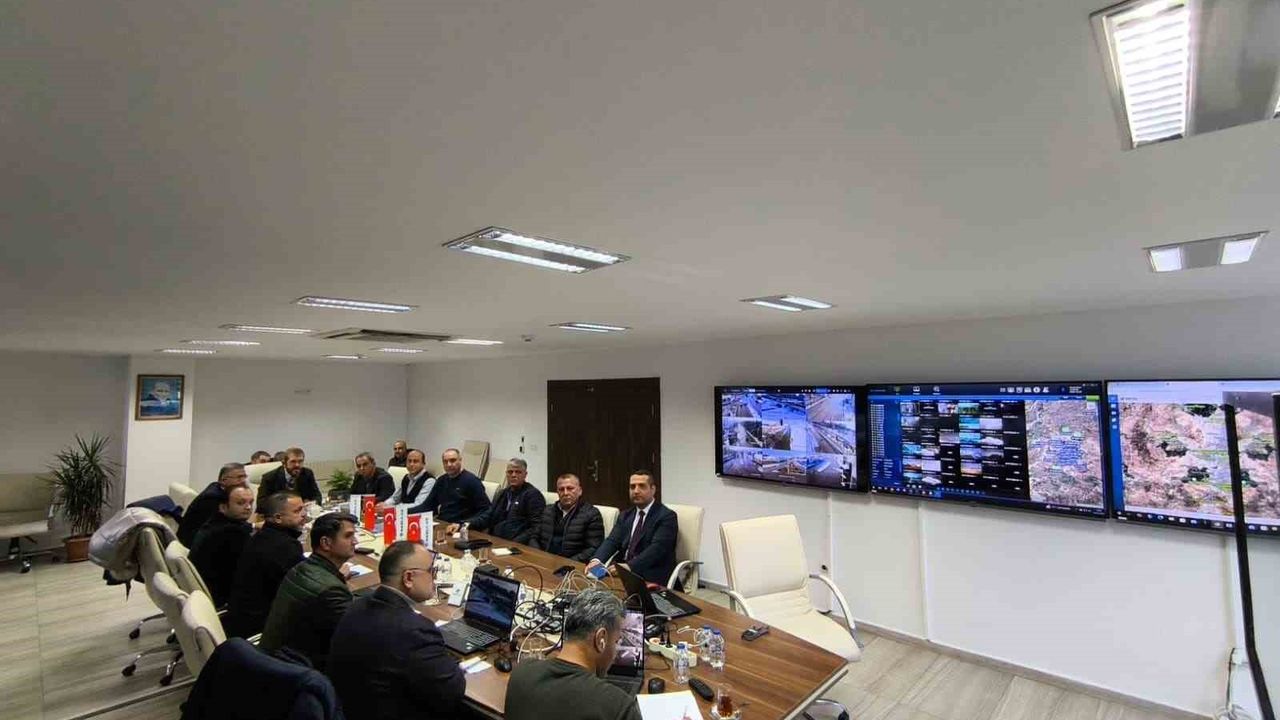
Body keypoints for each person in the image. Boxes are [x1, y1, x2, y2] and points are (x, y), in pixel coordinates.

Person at [327, 541, 465, 719]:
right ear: (408, 578)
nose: (435, 578)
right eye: (431, 571)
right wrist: (451, 661)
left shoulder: (356, 605)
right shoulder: (416, 632)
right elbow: (452, 691)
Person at [504, 589, 642, 720]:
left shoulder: (521, 673)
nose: (615, 653)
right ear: (601, 639)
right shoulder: (619, 708)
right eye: (616, 641)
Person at [260, 512, 357, 669]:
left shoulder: (301, 568)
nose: (355, 541)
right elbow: (356, 635)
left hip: (273, 658)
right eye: (348, 536)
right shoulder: (331, 590)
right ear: (326, 543)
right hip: (297, 671)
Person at [223, 491, 307, 639]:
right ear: (278, 518)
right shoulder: (284, 546)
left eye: (303, 509)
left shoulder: (263, 536)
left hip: (241, 620)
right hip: (262, 627)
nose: (304, 514)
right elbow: (303, 590)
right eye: (297, 511)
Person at [587, 471, 677, 585]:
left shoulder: (666, 516)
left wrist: (630, 566)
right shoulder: (626, 515)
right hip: (621, 572)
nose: (636, 491)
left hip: (650, 575)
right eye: (632, 487)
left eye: (642, 486)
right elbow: (612, 541)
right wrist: (597, 560)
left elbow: (657, 549)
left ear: (653, 489)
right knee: (588, 587)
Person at [188, 484, 255, 608]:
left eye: (251, 502)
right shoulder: (231, 534)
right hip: (221, 600)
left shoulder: (214, 523)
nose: (248, 507)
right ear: (223, 507)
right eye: (241, 503)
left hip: (202, 594)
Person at [458, 458, 545, 543]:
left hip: (516, 544)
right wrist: (466, 524)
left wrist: (515, 542)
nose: (513, 475)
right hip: (495, 540)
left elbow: (537, 527)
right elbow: (488, 516)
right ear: (506, 474)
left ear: (525, 474)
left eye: (518, 472)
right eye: (510, 472)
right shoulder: (502, 493)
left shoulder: (533, 495)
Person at [527, 474, 604, 562]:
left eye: (570, 488)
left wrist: (567, 563)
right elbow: (534, 537)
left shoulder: (591, 514)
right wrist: (539, 556)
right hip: (544, 560)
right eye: (561, 489)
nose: (565, 493)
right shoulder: (547, 510)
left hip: (571, 564)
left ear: (580, 491)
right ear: (557, 492)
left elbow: (593, 548)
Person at [409, 448, 489, 524]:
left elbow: (485, 510)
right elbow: (427, 506)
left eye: (452, 460)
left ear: (460, 460)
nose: (449, 464)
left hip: (461, 526)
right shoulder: (441, 480)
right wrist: (405, 512)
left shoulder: (472, 481)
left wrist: (466, 524)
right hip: (442, 523)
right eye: (445, 462)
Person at [178, 463, 249, 547]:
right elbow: (224, 526)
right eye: (239, 477)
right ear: (224, 480)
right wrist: (252, 526)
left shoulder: (217, 486)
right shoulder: (213, 497)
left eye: (244, 477)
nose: (243, 481)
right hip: (194, 544)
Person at [257, 447, 322, 507]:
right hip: (281, 512)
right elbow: (261, 503)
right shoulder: (270, 477)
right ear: (284, 463)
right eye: (293, 461)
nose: (297, 465)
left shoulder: (307, 473)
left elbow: (317, 495)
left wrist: (313, 503)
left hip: (302, 510)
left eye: (300, 461)